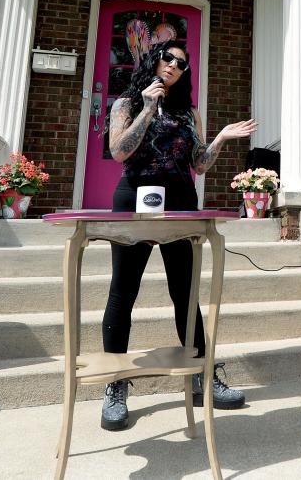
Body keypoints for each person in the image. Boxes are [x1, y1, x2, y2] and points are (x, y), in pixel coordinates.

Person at [100, 39, 257, 431]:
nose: (173, 65)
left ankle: (202, 376)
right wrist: (149, 107)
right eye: (167, 58)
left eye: (181, 63)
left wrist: (219, 137)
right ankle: (116, 385)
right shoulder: (127, 104)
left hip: (180, 201)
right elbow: (119, 151)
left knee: (184, 292)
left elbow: (199, 165)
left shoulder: (189, 112)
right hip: (135, 200)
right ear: (154, 61)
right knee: (123, 291)